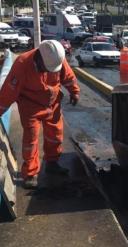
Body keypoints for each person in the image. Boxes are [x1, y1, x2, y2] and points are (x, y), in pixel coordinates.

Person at [0, 40, 80, 189]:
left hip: (52, 102)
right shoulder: (22, 64)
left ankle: (52, 162)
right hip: (30, 106)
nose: (50, 71)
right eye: (47, 68)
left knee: (55, 134)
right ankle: (30, 173)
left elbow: (68, 76)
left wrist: (74, 92)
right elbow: (7, 93)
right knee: (31, 138)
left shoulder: (56, 58)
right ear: (39, 58)